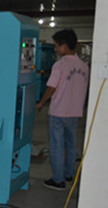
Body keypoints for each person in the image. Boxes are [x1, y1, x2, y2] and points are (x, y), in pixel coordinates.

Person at [36, 28, 89, 190]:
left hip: (59, 112)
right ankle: (68, 174)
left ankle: (58, 180)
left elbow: (52, 88)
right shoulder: (84, 66)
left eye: (56, 46)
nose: (55, 49)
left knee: (57, 146)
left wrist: (41, 103)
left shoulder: (59, 65)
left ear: (65, 46)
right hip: (75, 112)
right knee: (71, 144)